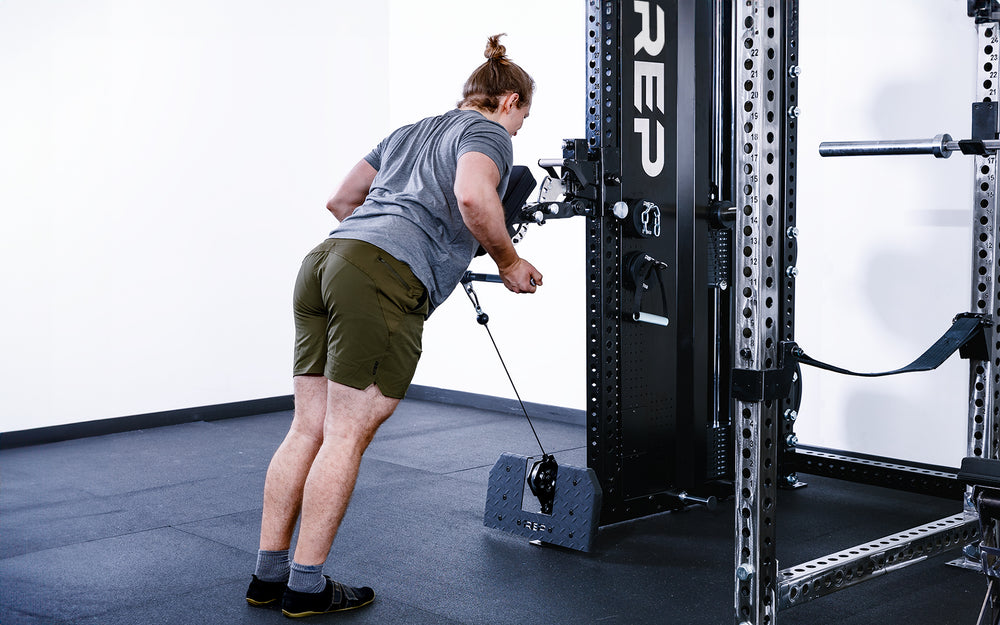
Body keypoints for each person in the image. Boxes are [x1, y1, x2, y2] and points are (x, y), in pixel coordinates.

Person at [245, 34, 542, 618]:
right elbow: (473, 198)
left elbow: (340, 200)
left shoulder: (408, 132)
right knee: (346, 435)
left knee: (308, 427)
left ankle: (267, 577)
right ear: (508, 101)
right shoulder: (486, 134)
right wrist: (508, 261)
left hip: (325, 261)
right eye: (523, 118)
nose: (519, 131)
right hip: (375, 277)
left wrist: (390, 239)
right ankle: (306, 587)